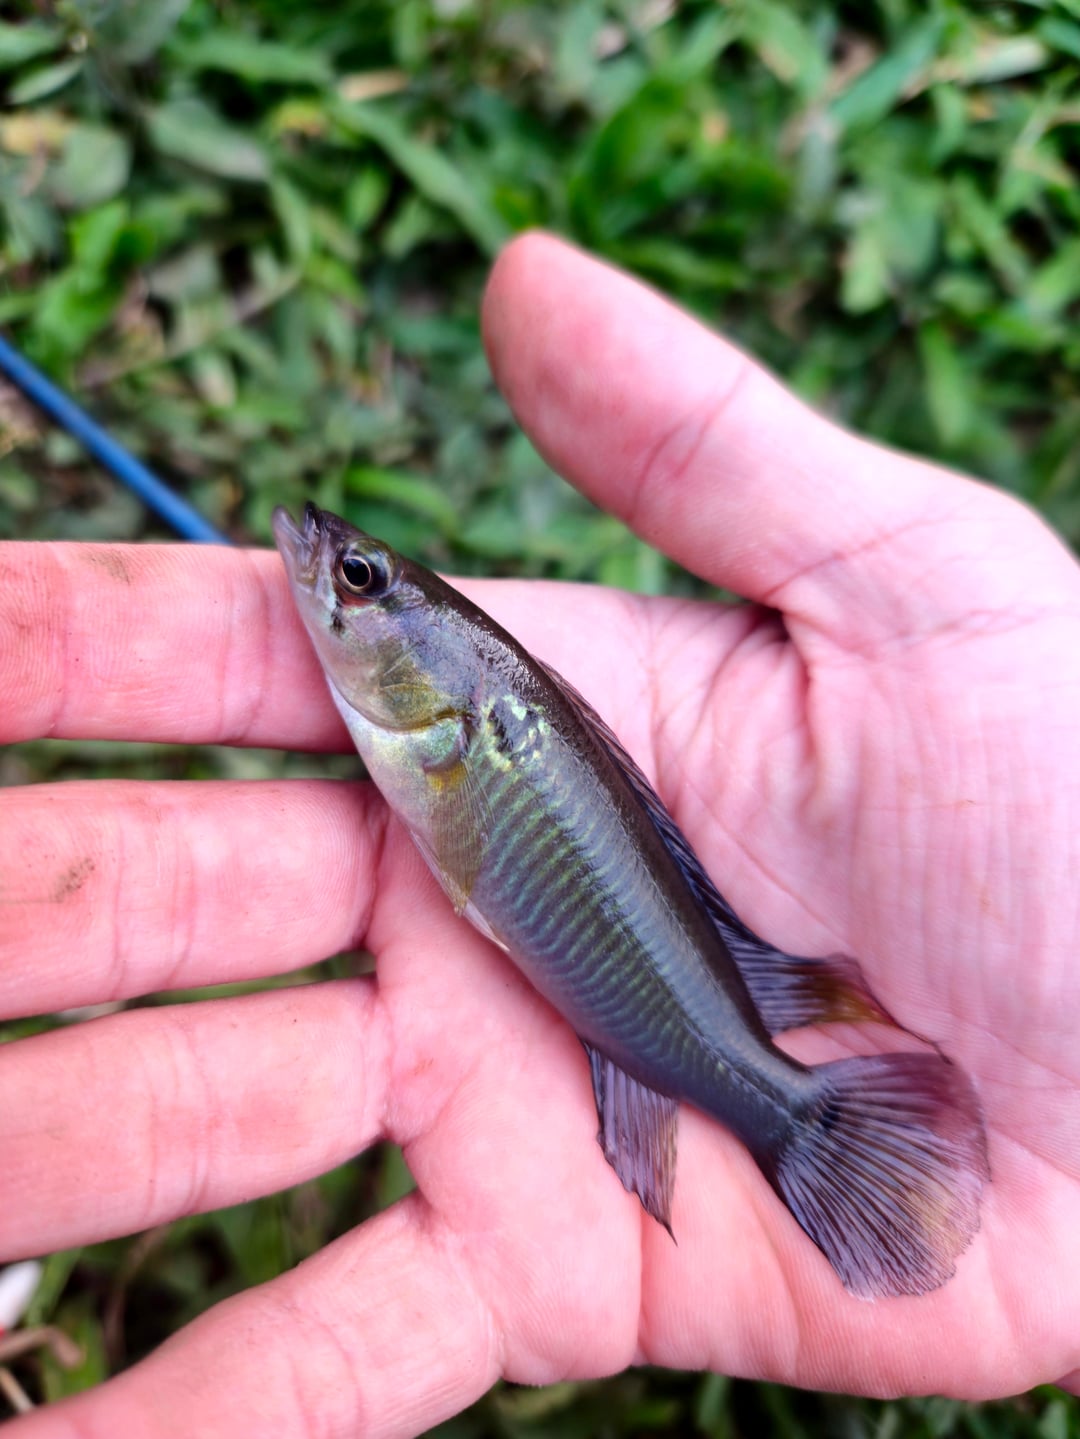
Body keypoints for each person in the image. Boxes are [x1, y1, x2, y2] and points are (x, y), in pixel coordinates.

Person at [2, 233, 1079, 1435]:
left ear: (440, 679)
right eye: (355, 574)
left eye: (357, 580)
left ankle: (793, 1113)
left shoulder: (458, 720)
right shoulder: (443, 720)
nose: (325, 566)